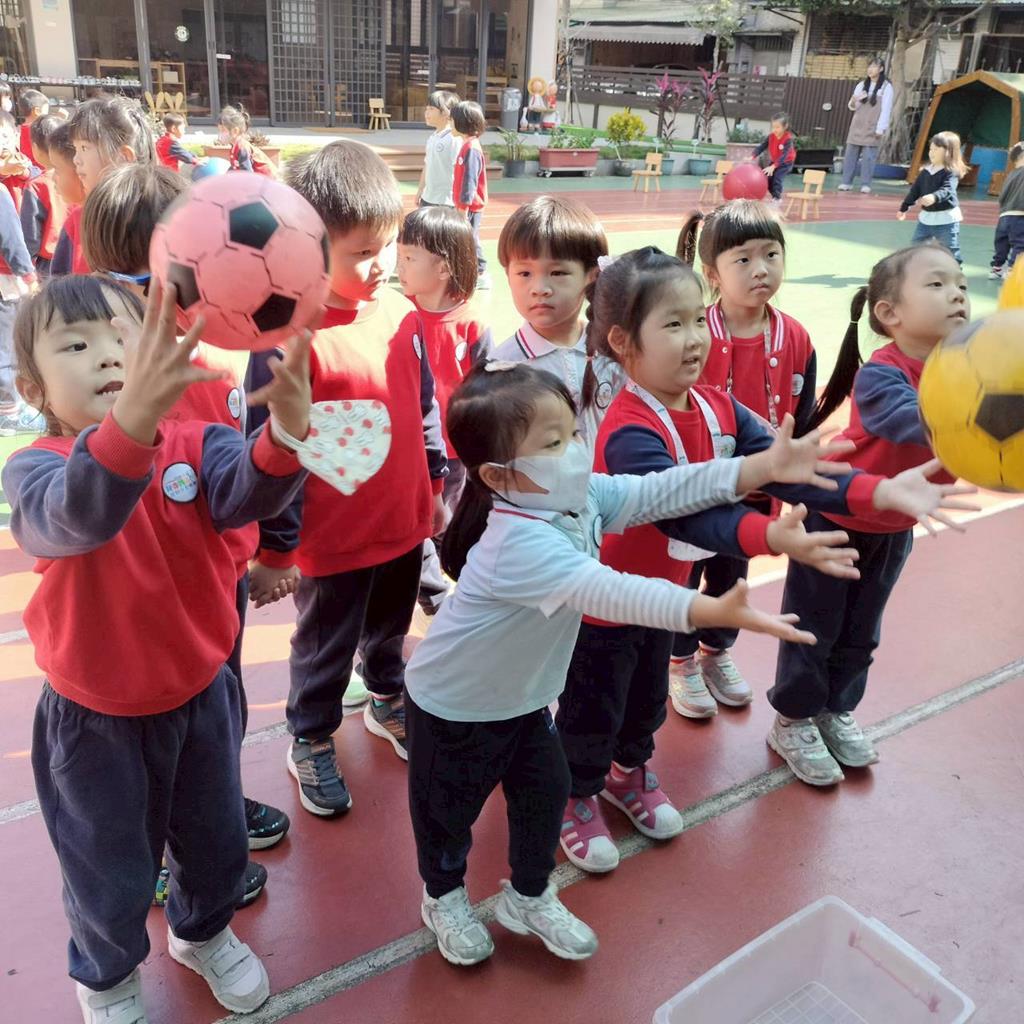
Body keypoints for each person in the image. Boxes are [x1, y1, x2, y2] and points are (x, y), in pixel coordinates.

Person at [556, 246, 969, 873]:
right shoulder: (629, 429)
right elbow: (683, 515)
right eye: (673, 324)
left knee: (646, 701)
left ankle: (627, 771)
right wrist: (770, 536)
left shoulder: (717, 407)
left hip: (668, 599)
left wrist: (880, 492)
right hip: (609, 606)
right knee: (594, 707)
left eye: (698, 320)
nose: (695, 338)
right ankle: (576, 793)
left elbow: (795, 469)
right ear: (622, 341)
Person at [406, 359, 824, 966]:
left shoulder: (578, 499)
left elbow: (661, 489)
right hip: (455, 706)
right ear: (499, 475)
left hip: (524, 700)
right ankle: (443, 896)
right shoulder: (515, 544)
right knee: (448, 814)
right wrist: (705, 609)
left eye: (572, 432)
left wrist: (758, 468)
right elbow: (609, 590)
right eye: (552, 443)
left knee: (544, 797)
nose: (575, 450)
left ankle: (528, 895)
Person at [3, 274, 313, 1022]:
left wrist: (284, 437)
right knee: (108, 868)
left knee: (216, 842)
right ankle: (107, 975)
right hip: (94, 721)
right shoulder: (37, 466)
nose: (109, 355)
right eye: (77, 345)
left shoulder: (197, 442)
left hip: (200, 696)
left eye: (125, 336)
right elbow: (76, 518)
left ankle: (202, 933)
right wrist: (133, 422)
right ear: (33, 387)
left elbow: (246, 492)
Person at [80, 162, 291, 877]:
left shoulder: (220, 354)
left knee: (219, 709)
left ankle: (214, 806)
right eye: (158, 280)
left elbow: (243, 469)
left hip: (218, 577)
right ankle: (168, 854)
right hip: (150, 597)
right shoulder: (108, 383)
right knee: (155, 731)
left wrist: (269, 550)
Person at [248, 141, 447, 817]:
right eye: (363, 251)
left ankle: (386, 695)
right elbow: (269, 450)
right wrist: (277, 546)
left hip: (401, 522)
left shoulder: (399, 315)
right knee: (325, 646)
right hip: (332, 540)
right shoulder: (286, 337)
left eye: (388, 245)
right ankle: (309, 735)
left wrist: (434, 488)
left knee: (389, 625)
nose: (382, 263)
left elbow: (422, 405)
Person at [768, 243, 976, 786]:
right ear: (889, 312)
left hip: (895, 525)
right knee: (813, 626)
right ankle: (793, 718)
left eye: (961, 284)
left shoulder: (969, 370)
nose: (957, 293)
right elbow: (912, 421)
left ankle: (836, 709)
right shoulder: (883, 373)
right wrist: (989, 411)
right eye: (937, 284)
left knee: (863, 629)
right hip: (837, 518)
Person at [668, 200, 816, 717]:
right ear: (712, 273)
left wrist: (796, 480)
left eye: (771, 255)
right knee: (685, 573)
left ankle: (715, 651)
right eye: (744, 259)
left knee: (733, 575)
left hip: (755, 492)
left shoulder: (795, 336)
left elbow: (804, 414)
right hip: (696, 489)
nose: (761, 269)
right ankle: (680, 659)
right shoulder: (694, 332)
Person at [397, 204, 491, 614]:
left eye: (409, 258)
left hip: (452, 455)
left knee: (442, 522)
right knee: (414, 523)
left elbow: (486, 392)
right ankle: (433, 595)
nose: (399, 267)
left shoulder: (471, 324)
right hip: (406, 446)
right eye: (399, 255)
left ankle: (450, 593)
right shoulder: (399, 314)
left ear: (443, 267)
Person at [491, 195, 622, 446]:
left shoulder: (614, 350)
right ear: (508, 275)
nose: (539, 288)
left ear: (592, 276)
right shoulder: (503, 368)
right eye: (524, 273)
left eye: (557, 272)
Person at [56, 96, 155, 276]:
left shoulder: (162, 215)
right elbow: (58, 285)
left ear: (124, 157)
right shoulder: (78, 221)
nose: (76, 159)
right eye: (75, 149)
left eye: (84, 148)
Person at [0, 179, 36, 436]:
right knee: (6, 346)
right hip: (4, 280)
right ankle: (8, 413)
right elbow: (10, 236)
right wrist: (28, 274)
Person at [898, 131, 967, 265]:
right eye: (931, 149)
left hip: (946, 220)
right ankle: (916, 269)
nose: (931, 152)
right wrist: (904, 207)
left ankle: (954, 270)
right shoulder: (926, 171)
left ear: (948, 152)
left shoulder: (951, 172)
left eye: (936, 149)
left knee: (950, 249)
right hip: (926, 219)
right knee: (917, 247)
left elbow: (948, 190)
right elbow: (915, 190)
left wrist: (934, 197)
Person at [20, 114, 67, 278]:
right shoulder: (79, 177)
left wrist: (27, 264)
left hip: (49, 263)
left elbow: (31, 234)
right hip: (76, 254)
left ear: (35, 148)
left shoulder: (37, 185)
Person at [839, 58, 894, 194]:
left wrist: (880, 128)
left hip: (873, 126)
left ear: (881, 69)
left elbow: (886, 109)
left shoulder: (886, 87)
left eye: (874, 66)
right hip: (857, 124)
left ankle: (865, 184)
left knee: (869, 157)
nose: (870, 69)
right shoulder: (861, 85)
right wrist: (853, 100)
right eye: (869, 66)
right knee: (850, 155)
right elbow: (852, 107)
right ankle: (846, 182)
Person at [451, 100, 489, 288]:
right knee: (467, 236)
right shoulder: (467, 145)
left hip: (470, 206)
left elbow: (470, 181)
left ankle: (481, 271)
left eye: (452, 120)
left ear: (462, 122)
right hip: (465, 204)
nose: (451, 124)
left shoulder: (472, 149)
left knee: (470, 237)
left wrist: (463, 208)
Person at [42, 120, 85, 277]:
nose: (53, 177)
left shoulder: (80, 220)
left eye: (57, 169)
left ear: (81, 170)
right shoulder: (74, 220)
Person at [416, 90, 459, 208]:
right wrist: (420, 189)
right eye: (426, 109)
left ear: (445, 112)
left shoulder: (454, 138)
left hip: (446, 202)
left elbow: (459, 170)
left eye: (431, 109)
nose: (426, 113)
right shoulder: (433, 137)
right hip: (427, 198)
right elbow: (427, 164)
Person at [990, 141, 1024, 279]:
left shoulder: (1011, 174)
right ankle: (1012, 270)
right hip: (1020, 214)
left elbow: (1002, 196)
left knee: (1002, 244)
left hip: (1004, 215)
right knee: (1020, 243)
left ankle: (996, 268)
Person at [219, 105, 275, 177]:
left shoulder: (242, 148)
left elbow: (247, 173)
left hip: (265, 180)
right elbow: (235, 167)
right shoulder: (235, 147)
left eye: (223, 130)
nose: (220, 133)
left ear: (235, 131)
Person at [752, 113, 796, 203]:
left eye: (777, 127)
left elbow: (784, 156)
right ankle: (776, 197)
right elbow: (762, 146)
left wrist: (773, 166)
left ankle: (777, 198)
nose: (774, 129)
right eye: (773, 127)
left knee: (777, 178)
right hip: (775, 161)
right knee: (767, 179)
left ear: (785, 126)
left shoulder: (788, 139)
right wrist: (752, 155)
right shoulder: (771, 136)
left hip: (786, 162)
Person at [17, 87, 49, 169]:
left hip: (27, 168)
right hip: (42, 169)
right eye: (46, 111)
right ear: (37, 111)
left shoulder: (19, 129)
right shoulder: (39, 129)